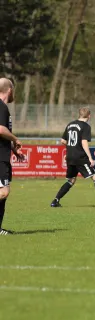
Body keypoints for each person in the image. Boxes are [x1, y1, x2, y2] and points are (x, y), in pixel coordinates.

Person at [50, 107, 95, 208]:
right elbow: (84, 142)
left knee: (71, 180)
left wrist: (71, 149)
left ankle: (55, 201)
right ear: (89, 116)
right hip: (81, 157)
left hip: (70, 157)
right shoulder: (86, 126)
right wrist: (90, 158)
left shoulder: (70, 124)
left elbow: (63, 141)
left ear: (79, 115)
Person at [0, 78, 25, 235]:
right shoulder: (1, 106)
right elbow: (1, 130)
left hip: (3, 154)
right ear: (9, 90)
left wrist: (13, 149)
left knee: (3, 194)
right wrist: (15, 139)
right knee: (3, 191)